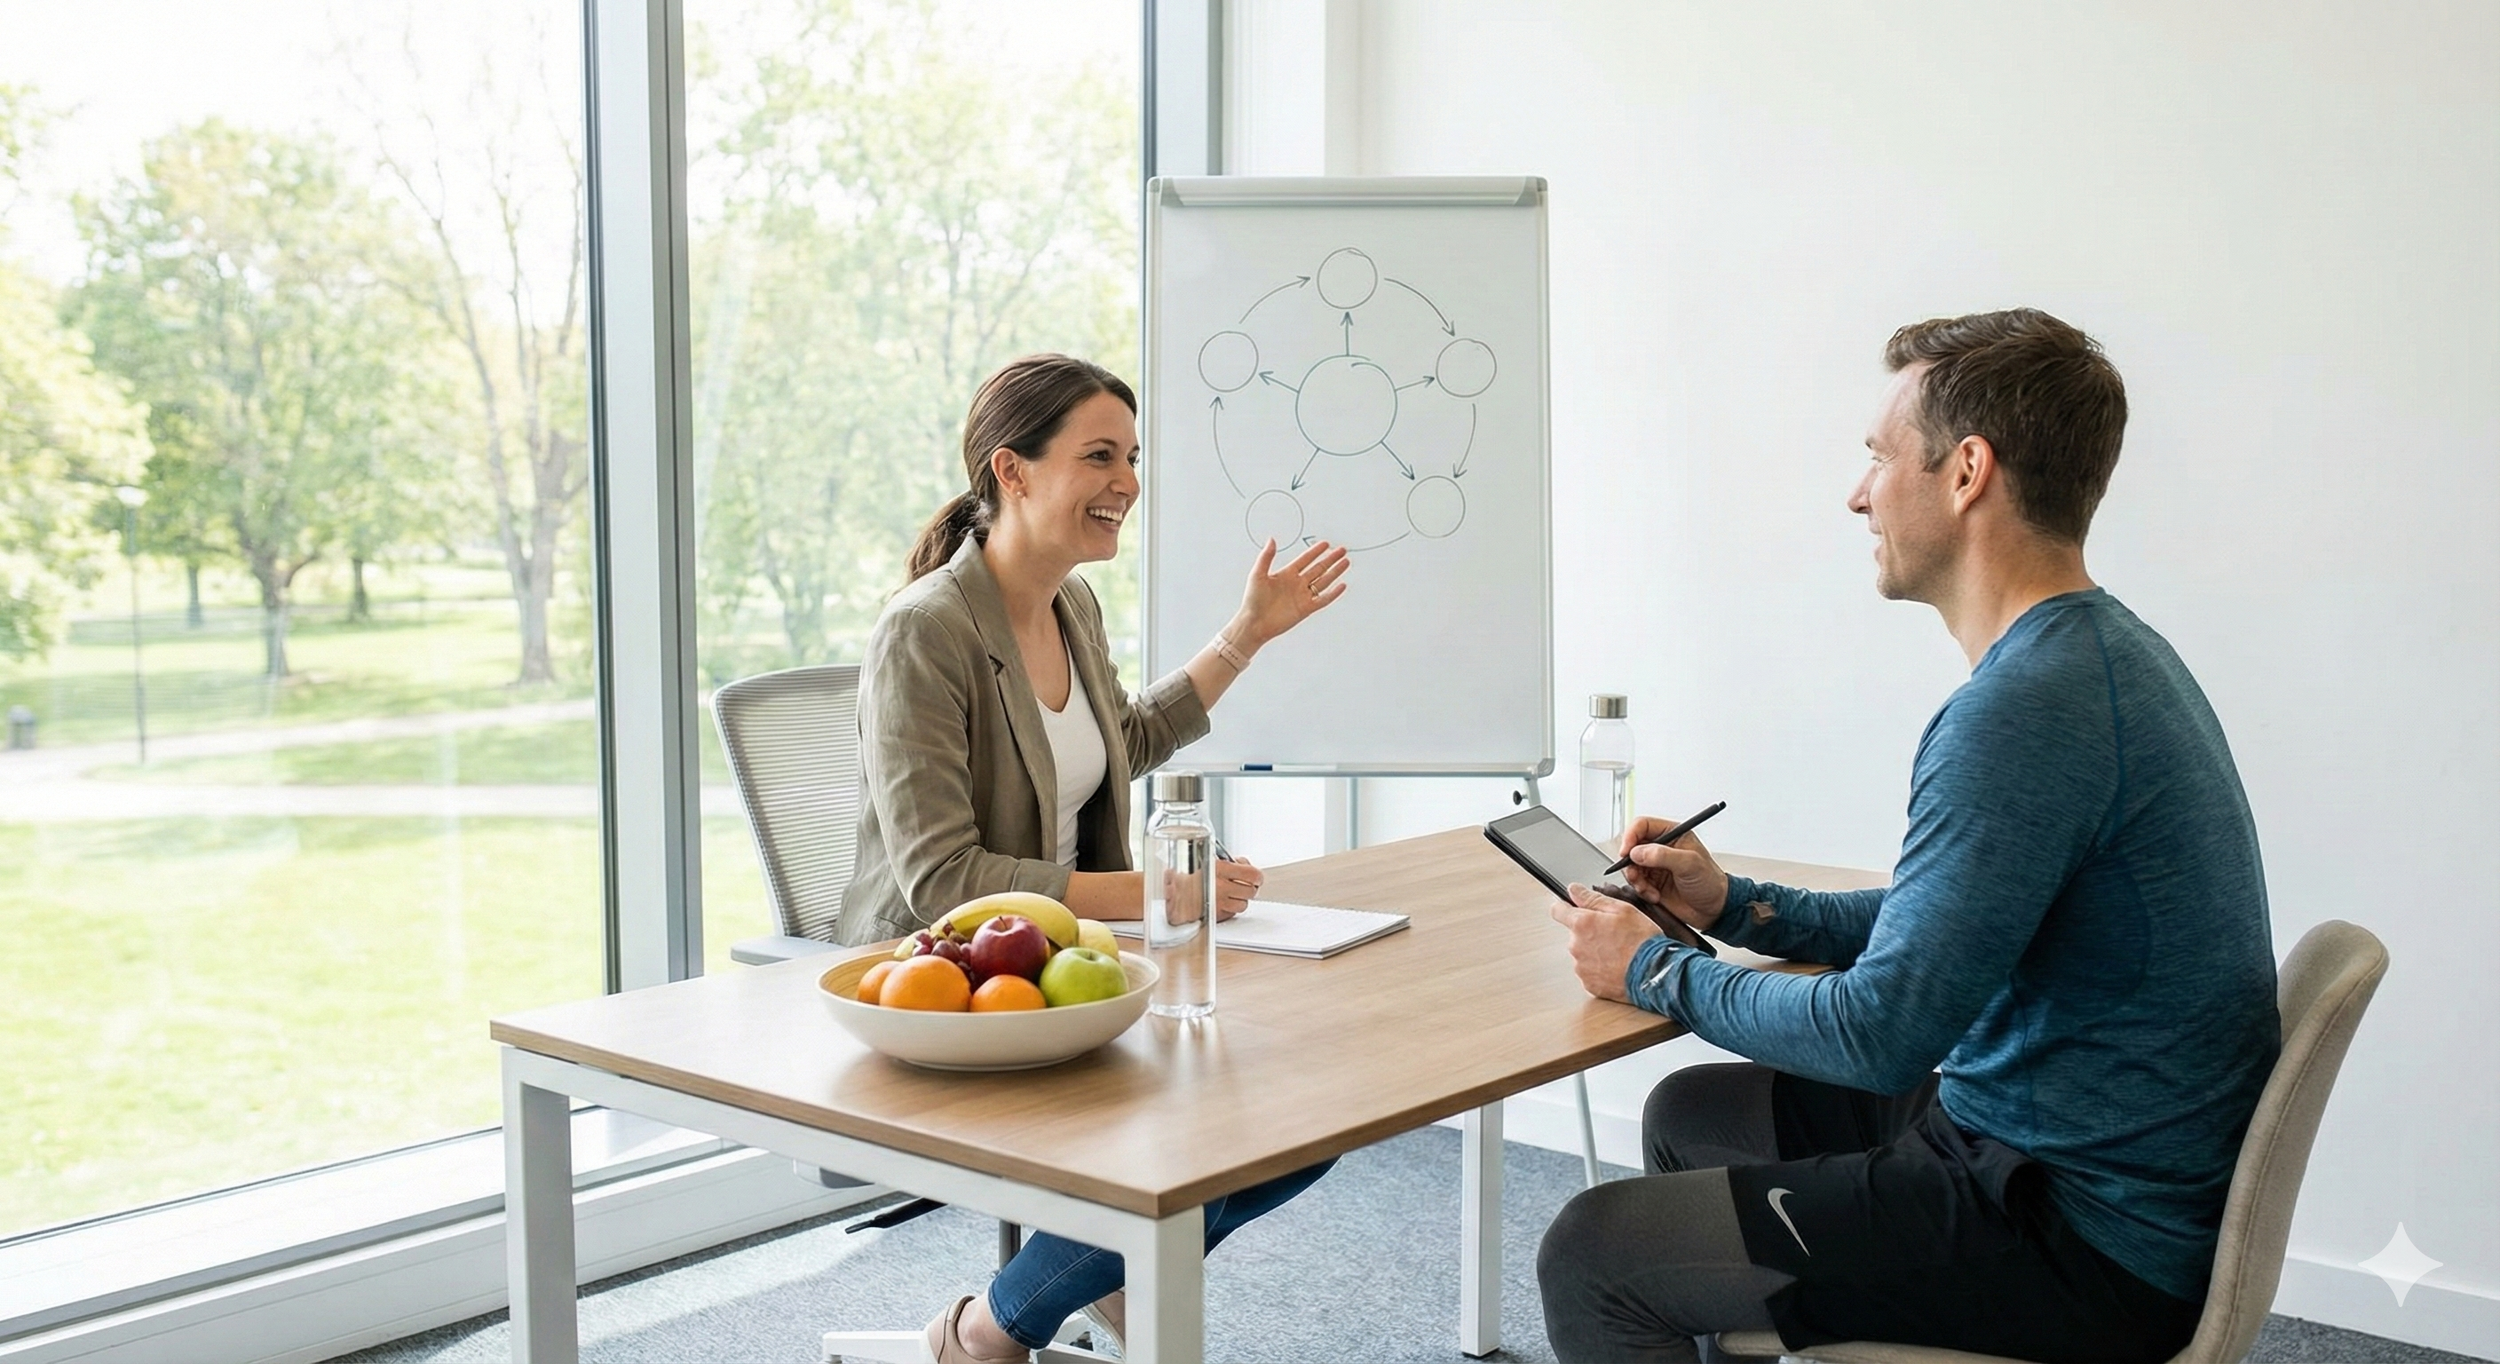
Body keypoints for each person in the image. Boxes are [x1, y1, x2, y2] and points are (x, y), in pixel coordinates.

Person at [1536, 310, 2279, 1364]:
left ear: (1966, 470)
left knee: (1589, 1253)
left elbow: (1882, 1029)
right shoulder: (2099, 656)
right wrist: (1735, 905)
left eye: (1878, 459)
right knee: (1692, 1113)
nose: (1857, 493)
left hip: (2070, 1230)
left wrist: (1653, 968)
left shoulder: (2022, 709)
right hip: (2046, 1145)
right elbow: (1950, 921)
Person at [841, 353, 1349, 1364]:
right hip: (954, 975)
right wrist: (1160, 890)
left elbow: (1126, 735)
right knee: (1210, 1123)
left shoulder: (1070, 606)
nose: (1127, 480)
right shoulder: (924, 633)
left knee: (1313, 1110)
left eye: (1132, 456)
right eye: (1099, 455)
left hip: (1080, 960)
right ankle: (991, 1327)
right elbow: (942, 878)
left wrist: (1245, 634)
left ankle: (1072, 1281)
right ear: (1014, 471)